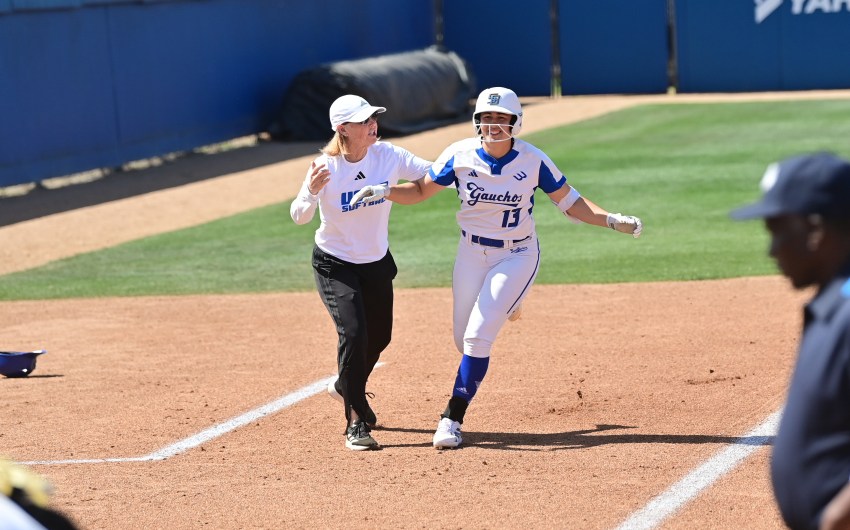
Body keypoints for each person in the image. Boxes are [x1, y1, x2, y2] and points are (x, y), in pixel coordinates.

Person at [351, 87, 643, 449]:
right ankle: (507, 303)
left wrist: (611, 220)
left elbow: (571, 204)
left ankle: (451, 419)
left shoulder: (532, 160)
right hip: (470, 253)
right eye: (486, 118)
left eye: (500, 118)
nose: (492, 125)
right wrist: (385, 190)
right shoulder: (459, 155)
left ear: (515, 122)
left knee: (477, 336)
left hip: (516, 254)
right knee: (464, 340)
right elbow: (421, 190)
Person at [290, 94, 431, 451]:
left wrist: (467, 164)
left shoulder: (388, 155)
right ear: (343, 129)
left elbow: (431, 171)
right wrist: (309, 191)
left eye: (373, 118)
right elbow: (299, 216)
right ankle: (355, 423)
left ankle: (344, 386)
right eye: (364, 121)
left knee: (379, 338)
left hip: (375, 262)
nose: (373, 125)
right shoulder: (325, 167)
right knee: (353, 334)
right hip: (335, 264)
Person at [731, 152, 850, 530]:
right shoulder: (836, 301)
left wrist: (836, 518)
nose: (772, 249)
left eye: (778, 230)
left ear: (816, 230)